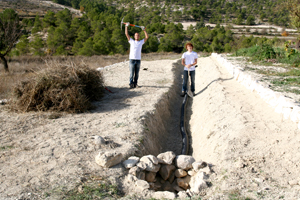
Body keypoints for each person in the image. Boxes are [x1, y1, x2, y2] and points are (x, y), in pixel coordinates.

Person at [125, 22, 149, 88]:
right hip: (132, 59)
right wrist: (126, 26)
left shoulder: (141, 42)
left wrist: (144, 30)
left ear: (139, 36)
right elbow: (126, 34)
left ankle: (135, 84)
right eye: (136, 35)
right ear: (134, 36)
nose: (137, 36)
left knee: (137, 74)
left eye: (138, 35)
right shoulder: (131, 41)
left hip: (138, 59)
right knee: (131, 73)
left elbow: (147, 37)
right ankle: (131, 84)